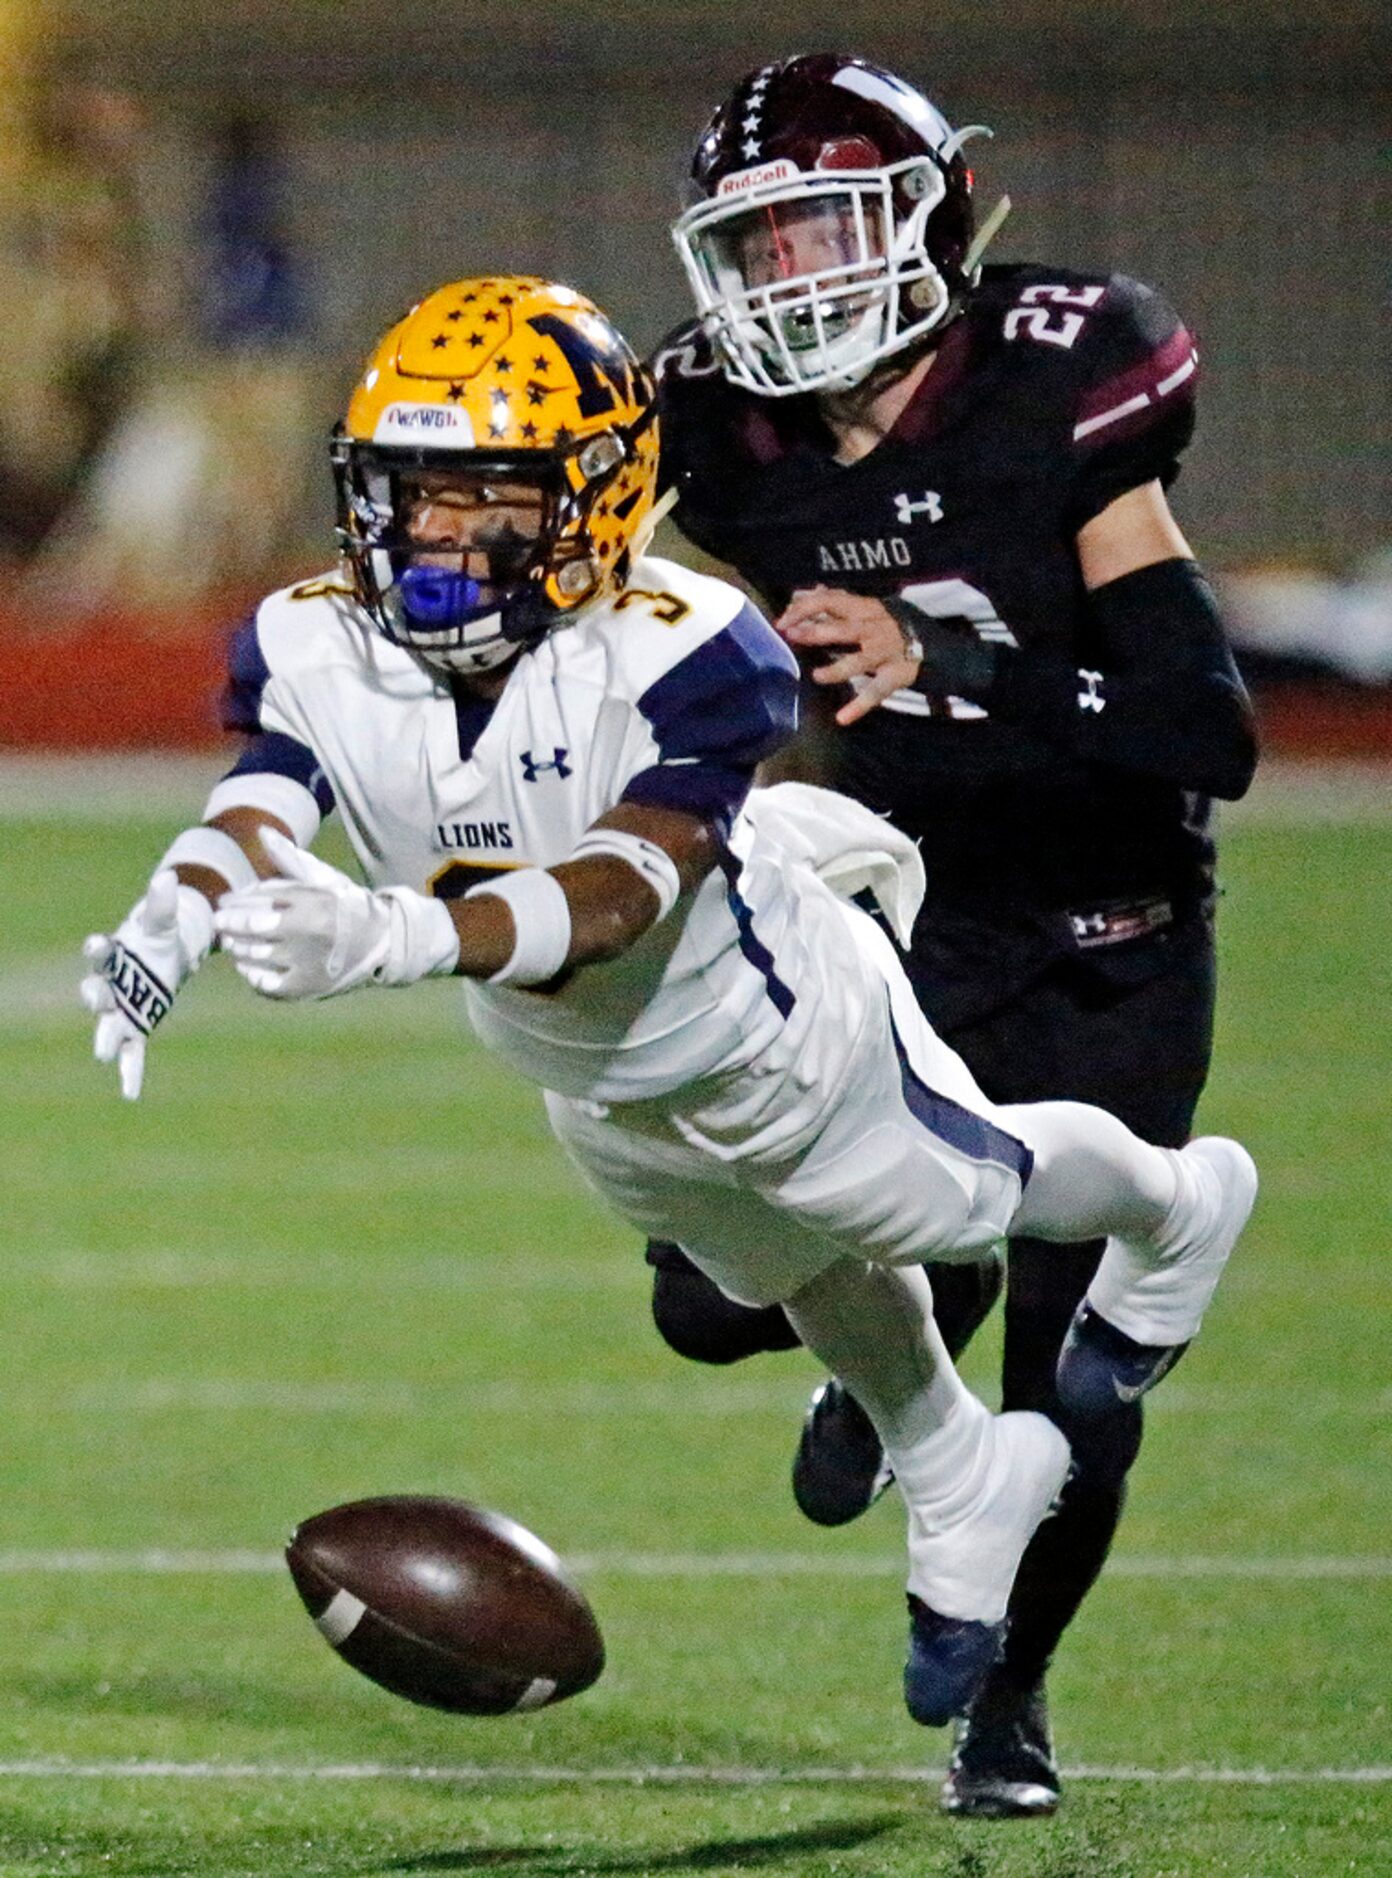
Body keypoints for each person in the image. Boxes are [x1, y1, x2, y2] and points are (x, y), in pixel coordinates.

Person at [81, 274, 1256, 1737]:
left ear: (592, 497)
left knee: (952, 1205)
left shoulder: (685, 641)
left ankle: (1178, 1202)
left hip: (764, 1021)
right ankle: (957, 1467)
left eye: (486, 498)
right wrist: (169, 916)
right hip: (587, 1073)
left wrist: (392, 934)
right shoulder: (322, 636)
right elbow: (262, 797)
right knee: (782, 1268)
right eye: (411, 493)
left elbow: (621, 889)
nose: (437, 535)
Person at [649, 54, 1260, 1815]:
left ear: (927, 215)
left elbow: (1203, 727)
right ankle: (892, 1352)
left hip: (1111, 932)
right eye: (754, 248)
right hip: (895, 918)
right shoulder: (719, 431)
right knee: (707, 1296)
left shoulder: (1056, 374)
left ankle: (1015, 1694)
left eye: (823, 229)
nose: (793, 280)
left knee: (1077, 1362)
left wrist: (960, 665)